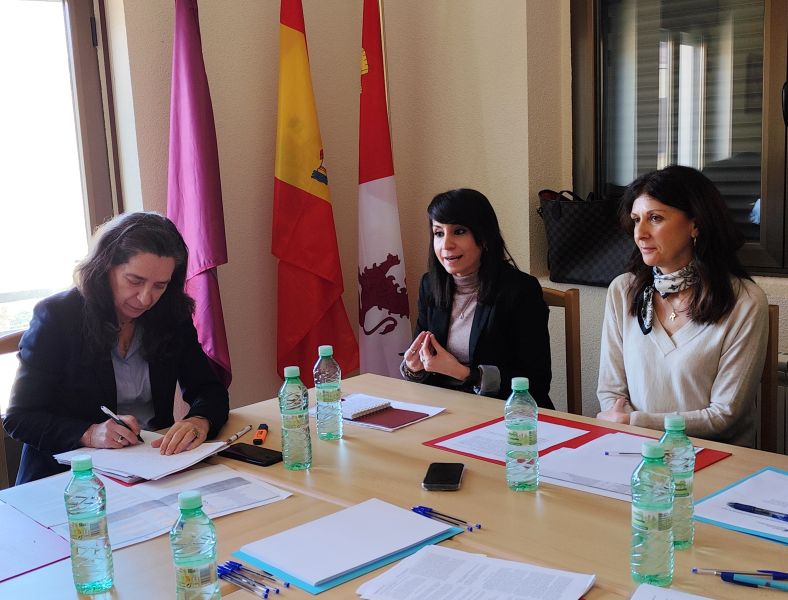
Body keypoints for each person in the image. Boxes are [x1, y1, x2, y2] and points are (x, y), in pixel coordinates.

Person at [4, 212, 230, 484]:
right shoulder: (58, 316)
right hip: (68, 480)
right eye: (134, 281)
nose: (146, 298)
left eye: (160, 285)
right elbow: (20, 418)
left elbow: (209, 389)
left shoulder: (170, 315)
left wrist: (199, 421)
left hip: (150, 470)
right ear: (105, 268)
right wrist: (89, 433)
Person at [596, 165, 768, 446]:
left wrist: (636, 421)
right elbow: (611, 392)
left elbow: (725, 416)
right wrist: (629, 426)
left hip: (716, 459)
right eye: (636, 219)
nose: (640, 233)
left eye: (655, 218)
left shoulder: (745, 302)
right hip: (635, 450)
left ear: (695, 224)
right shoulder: (623, 291)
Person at [400, 188, 553, 408]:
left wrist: (463, 373)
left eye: (459, 231)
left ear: (484, 237)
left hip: (507, 413)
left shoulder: (520, 290)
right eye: (438, 233)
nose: (446, 245)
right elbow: (425, 365)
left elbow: (536, 381)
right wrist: (414, 368)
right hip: (446, 409)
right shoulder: (430, 285)